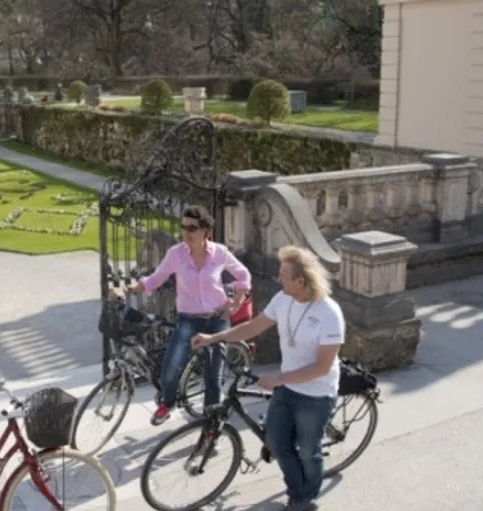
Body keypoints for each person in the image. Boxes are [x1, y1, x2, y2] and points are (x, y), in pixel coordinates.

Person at [192, 245, 344, 511]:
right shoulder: (283, 300)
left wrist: (280, 379)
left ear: (300, 280)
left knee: (309, 452)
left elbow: (322, 367)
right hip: (288, 388)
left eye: (283, 275)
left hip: (317, 394)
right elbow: (253, 327)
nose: (277, 279)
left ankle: (303, 500)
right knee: (275, 442)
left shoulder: (328, 314)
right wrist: (214, 338)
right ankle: (298, 494)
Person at [111, 205, 252, 426]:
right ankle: (168, 403)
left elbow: (243, 275)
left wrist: (235, 304)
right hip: (188, 318)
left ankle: (211, 424)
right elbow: (153, 280)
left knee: (213, 376)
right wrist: (126, 289)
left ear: (205, 229)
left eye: (192, 228)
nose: (186, 233)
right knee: (170, 367)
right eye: (183, 227)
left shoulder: (220, 253)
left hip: (216, 319)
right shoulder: (176, 254)